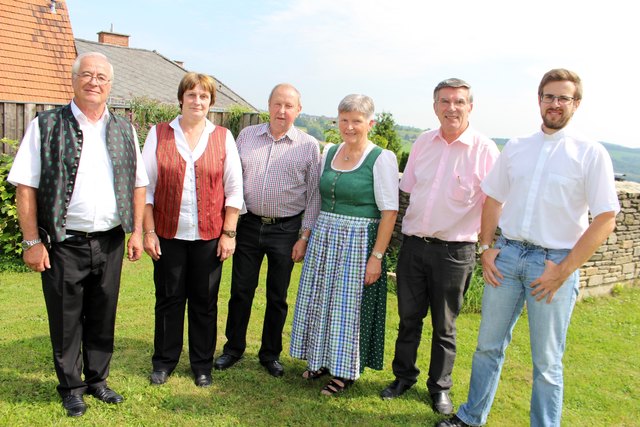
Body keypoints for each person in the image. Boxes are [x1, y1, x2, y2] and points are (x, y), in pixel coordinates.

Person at [439, 69, 620, 427]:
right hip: (506, 258)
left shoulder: (590, 153)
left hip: (552, 266)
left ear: (576, 104)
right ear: (539, 100)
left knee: (547, 362)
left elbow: (605, 219)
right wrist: (487, 247)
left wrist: (563, 270)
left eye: (563, 98)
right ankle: (471, 417)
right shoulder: (518, 147)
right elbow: (492, 197)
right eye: (549, 96)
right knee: (488, 348)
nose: (555, 104)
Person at [8, 52, 148, 417]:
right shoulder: (46, 125)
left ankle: (98, 381)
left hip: (111, 239)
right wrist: (31, 242)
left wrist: (135, 232)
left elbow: (137, 185)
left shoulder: (124, 129)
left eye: (102, 77)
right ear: (73, 80)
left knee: (104, 314)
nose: (94, 82)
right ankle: (71, 387)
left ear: (110, 85)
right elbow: (26, 187)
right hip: (64, 242)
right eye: (87, 75)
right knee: (67, 318)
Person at [380, 78, 499, 415]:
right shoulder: (423, 142)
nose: (451, 108)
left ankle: (440, 388)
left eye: (459, 102)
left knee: (444, 326)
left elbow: (494, 201)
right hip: (415, 245)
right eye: (444, 101)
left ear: (470, 107)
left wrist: (487, 244)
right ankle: (403, 377)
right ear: (435, 107)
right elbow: (409, 188)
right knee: (408, 318)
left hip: (455, 251)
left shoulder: (484, 149)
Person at [289, 94, 399, 396]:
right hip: (325, 238)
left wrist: (376, 257)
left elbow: (389, 212)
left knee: (347, 309)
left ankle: (344, 371)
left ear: (370, 124)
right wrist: (305, 236)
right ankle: (322, 359)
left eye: (357, 121)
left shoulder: (381, 158)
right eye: (344, 120)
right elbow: (317, 198)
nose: (349, 127)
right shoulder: (330, 151)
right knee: (322, 300)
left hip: (358, 241)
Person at [141, 72, 243, 388]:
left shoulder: (223, 137)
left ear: (211, 102)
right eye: (191, 95)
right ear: (181, 98)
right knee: (169, 300)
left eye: (203, 96)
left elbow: (234, 190)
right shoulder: (159, 134)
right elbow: (145, 189)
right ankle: (164, 362)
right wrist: (149, 231)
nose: (197, 101)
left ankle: (201, 365)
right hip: (169, 234)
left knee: (204, 302)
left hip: (209, 237)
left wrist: (229, 234)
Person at [214, 83, 321, 377]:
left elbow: (314, 196)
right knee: (241, 291)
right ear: (269, 105)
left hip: (285, 230)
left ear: (298, 110)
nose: (282, 111)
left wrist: (304, 237)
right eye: (277, 104)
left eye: (289, 106)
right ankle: (233, 348)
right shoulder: (247, 136)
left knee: (277, 295)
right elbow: (230, 180)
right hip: (248, 226)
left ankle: (270, 354)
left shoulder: (308, 146)